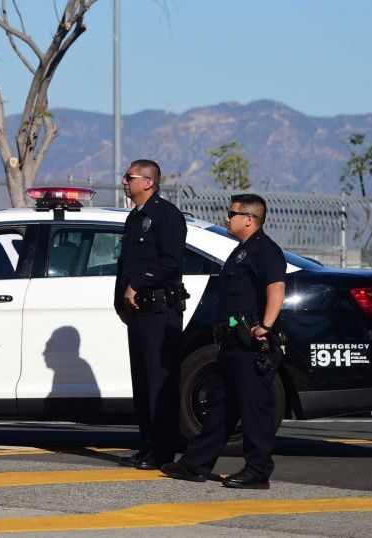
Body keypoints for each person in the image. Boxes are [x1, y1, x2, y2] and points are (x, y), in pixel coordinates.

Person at [161, 193, 285, 489]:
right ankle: (195, 465)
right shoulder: (241, 250)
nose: (226, 219)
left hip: (253, 346)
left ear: (249, 219)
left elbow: (276, 288)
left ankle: (257, 472)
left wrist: (265, 327)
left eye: (231, 214)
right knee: (219, 406)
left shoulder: (264, 250)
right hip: (232, 345)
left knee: (253, 409)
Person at [114, 159, 187, 470]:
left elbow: (170, 262)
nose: (123, 182)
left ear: (148, 182)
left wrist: (139, 284)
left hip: (160, 310)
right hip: (139, 312)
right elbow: (125, 264)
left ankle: (162, 451)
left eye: (129, 177)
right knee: (142, 383)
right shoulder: (135, 218)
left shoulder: (165, 215)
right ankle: (147, 447)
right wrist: (121, 300)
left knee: (159, 383)